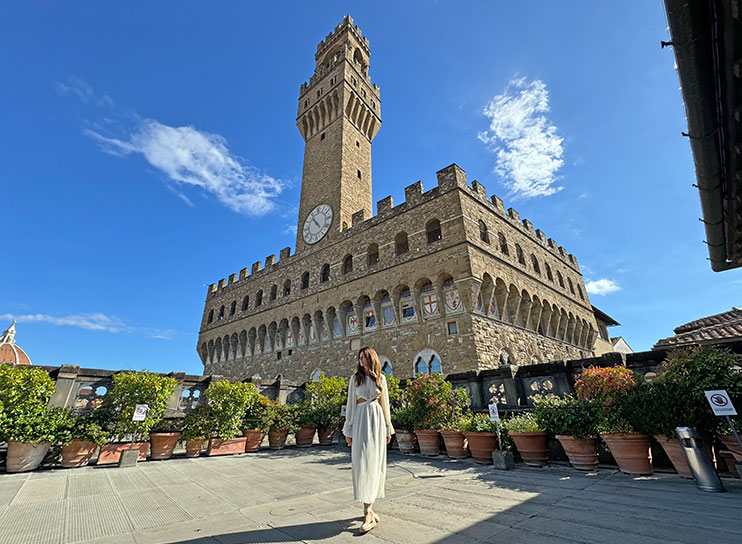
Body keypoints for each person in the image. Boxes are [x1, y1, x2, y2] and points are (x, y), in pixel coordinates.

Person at [342, 346, 395, 534]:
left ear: (371, 358)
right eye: (359, 357)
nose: (361, 360)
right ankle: (368, 510)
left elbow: (385, 405)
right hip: (361, 421)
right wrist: (348, 429)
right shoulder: (354, 379)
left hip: (377, 421)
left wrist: (388, 429)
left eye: (364, 357)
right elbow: (350, 405)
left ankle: (369, 508)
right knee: (362, 463)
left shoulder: (381, 379)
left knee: (374, 463)